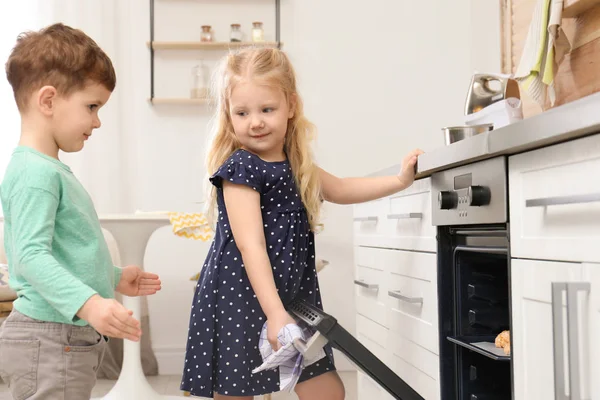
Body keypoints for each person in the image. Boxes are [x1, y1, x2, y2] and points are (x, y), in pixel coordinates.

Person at [181, 47, 423, 400]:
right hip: (242, 296)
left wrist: (399, 181)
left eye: (267, 109)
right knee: (236, 393)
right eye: (242, 112)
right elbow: (251, 246)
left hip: (293, 297)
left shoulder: (297, 166)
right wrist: (275, 313)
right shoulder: (241, 168)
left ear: (291, 106)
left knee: (326, 391)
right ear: (228, 116)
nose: (256, 121)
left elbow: (341, 188)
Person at [0, 23, 162, 400]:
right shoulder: (35, 174)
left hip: (61, 335)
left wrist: (114, 276)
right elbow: (30, 256)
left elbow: (64, 251)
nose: (97, 121)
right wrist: (90, 303)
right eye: (92, 106)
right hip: (51, 335)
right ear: (48, 100)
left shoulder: (46, 170)